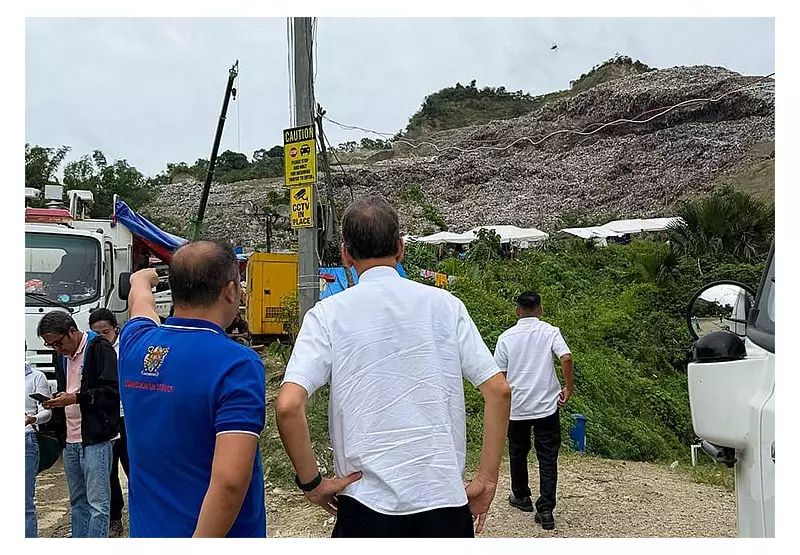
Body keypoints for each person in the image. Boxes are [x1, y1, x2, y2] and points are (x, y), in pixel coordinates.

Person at [276, 195, 511, 538]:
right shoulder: (446, 306)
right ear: (400, 249)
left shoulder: (326, 315)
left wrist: (312, 482)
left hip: (364, 504)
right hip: (443, 500)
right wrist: (487, 479)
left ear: (345, 254)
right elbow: (499, 391)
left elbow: (287, 406)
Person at [118, 240, 266, 538]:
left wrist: (140, 279)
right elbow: (230, 481)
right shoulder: (236, 364)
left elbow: (141, 303)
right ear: (230, 290)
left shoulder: (135, 345)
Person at [493, 292, 574, 530]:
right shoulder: (550, 331)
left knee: (518, 451)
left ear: (517, 311)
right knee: (547, 456)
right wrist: (568, 387)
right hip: (546, 405)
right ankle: (546, 510)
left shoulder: (506, 337)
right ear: (540, 310)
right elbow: (566, 357)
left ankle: (521, 496)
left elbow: (501, 375)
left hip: (517, 407)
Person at [39, 311, 119, 538]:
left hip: (95, 438)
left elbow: (112, 393)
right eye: (51, 345)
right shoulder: (63, 355)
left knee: (98, 504)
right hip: (71, 437)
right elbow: (70, 389)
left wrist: (74, 398)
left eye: (58, 342)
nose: (57, 348)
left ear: (72, 331)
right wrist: (57, 401)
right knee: (77, 501)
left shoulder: (99, 347)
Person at [89, 308, 129, 538]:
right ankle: (115, 518)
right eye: (97, 334)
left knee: (134, 465)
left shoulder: (127, 347)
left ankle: (143, 509)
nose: (102, 337)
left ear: (115, 328)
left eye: (105, 332)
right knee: (109, 471)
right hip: (106, 419)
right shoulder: (92, 350)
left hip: (128, 417)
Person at [25, 349, 52, 538]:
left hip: (25, 439)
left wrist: (32, 419)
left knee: (23, 502)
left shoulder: (36, 377)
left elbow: (47, 411)